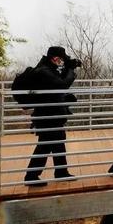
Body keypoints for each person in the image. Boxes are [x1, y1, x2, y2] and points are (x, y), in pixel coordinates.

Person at [25, 46, 79, 186]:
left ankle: (61, 172)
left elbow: (58, 82)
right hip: (47, 115)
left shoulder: (48, 69)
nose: (62, 61)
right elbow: (62, 85)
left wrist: (68, 68)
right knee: (45, 145)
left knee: (58, 141)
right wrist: (71, 70)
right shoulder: (44, 71)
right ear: (55, 58)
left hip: (51, 114)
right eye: (61, 59)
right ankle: (31, 176)